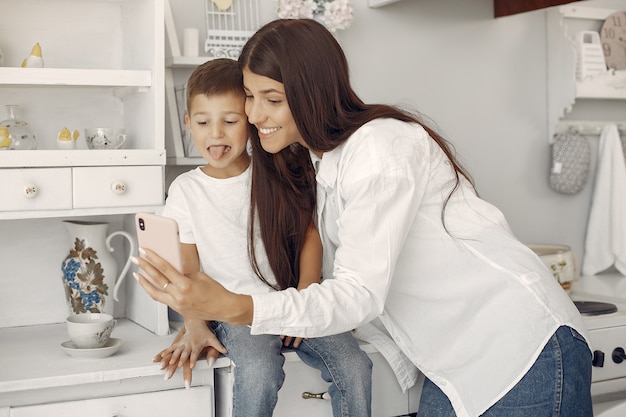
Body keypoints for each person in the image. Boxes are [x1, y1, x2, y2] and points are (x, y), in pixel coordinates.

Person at [134, 19, 592, 417]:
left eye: (271, 99)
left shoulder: (381, 149)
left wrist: (238, 306)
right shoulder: (320, 163)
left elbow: (359, 292)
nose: (253, 115)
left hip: (520, 351)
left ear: (311, 93)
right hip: (455, 365)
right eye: (250, 97)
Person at [150, 57, 372, 417]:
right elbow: (187, 270)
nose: (216, 134)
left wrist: (305, 296)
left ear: (250, 122)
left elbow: (307, 236)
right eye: (204, 122)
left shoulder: (275, 171)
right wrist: (194, 324)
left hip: (289, 302)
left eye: (231, 121)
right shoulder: (185, 190)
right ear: (188, 123)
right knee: (259, 372)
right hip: (233, 313)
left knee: (355, 365)